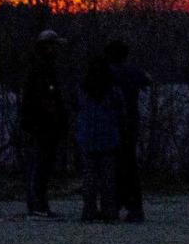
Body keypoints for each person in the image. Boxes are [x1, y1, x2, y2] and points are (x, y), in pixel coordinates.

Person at [15, 30, 66, 218]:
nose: (57, 50)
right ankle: (37, 205)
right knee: (40, 165)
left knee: (42, 165)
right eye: (54, 46)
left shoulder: (44, 67)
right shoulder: (41, 68)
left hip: (43, 124)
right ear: (47, 46)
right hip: (41, 125)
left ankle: (39, 204)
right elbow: (39, 99)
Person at [103, 39, 150, 223]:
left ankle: (114, 205)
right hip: (130, 125)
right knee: (130, 167)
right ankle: (134, 207)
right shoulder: (133, 73)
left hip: (112, 125)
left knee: (112, 167)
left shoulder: (107, 73)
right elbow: (147, 80)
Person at [75, 51, 122, 222]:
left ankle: (89, 211)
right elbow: (120, 110)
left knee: (89, 177)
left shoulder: (82, 89)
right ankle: (109, 211)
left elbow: (77, 108)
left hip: (87, 138)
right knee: (108, 178)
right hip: (108, 138)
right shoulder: (112, 90)